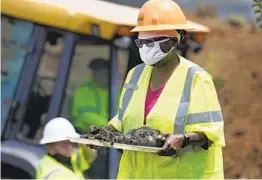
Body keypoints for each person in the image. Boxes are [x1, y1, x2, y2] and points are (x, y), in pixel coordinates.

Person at [106, 0, 225, 179]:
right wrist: (105, 133)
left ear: (175, 39)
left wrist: (183, 139)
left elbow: (211, 133)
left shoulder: (197, 80)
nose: (147, 48)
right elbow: (124, 120)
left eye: (153, 42)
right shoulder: (135, 75)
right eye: (142, 43)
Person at [70, 58, 110, 133]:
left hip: (108, 135)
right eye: (99, 73)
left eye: (105, 74)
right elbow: (87, 115)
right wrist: (110, 127)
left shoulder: (116, 92)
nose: (102, 76)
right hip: (84, 136)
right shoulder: (84, 91)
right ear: (94, 74)